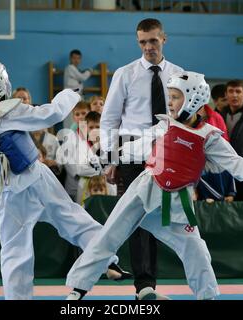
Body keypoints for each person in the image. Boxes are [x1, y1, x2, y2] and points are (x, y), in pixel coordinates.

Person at [65, 71, 243, 301]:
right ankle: (78, 288)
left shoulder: (209, 136)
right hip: (143, 190)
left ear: (194, 99)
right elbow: (138, 146)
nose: (170, 101)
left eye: (176, 96)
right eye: (170, 96)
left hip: (178, 202)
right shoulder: (164, 125)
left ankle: (207, 296)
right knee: (108, 235)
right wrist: (109, 157)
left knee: (195, 248)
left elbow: (232, 160)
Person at [0, 59, 130, 300]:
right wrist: (69, 93)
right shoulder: (12, 111)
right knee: (74, 220)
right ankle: (107, 260)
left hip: (7, 191)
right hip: (36, 179)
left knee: (15, 252)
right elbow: (52, 114)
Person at [99, 18, 184, 299]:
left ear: (164, 39)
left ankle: (163, 281)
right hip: (131, 151)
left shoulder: (180, 75)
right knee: (136, 218)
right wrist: (111, 158)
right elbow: (110, 119)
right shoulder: (124, 74)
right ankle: (144, 286)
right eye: (143, 42)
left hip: (167, 151)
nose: (148, 47)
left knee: (162, 217)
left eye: (153, 41)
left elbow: (185, 119)